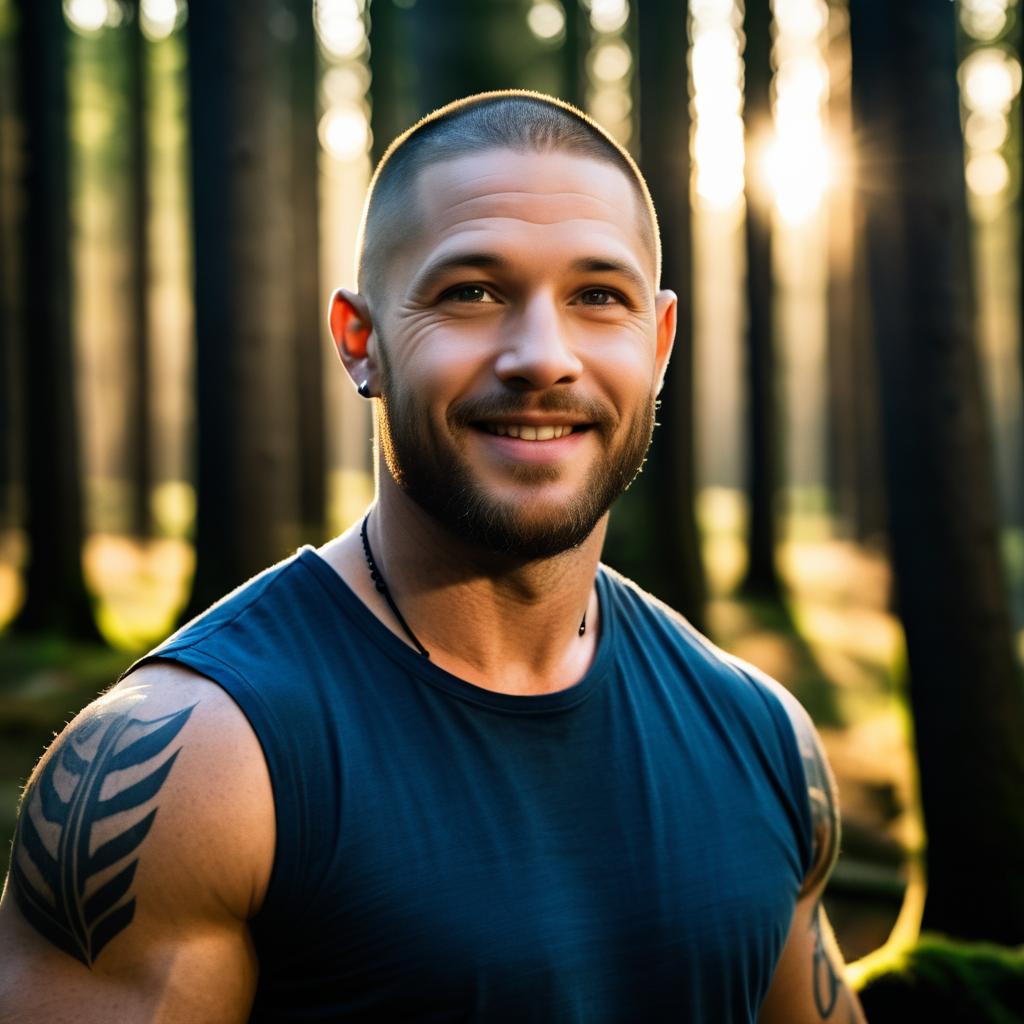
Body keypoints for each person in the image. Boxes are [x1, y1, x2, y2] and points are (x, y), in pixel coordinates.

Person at [0, 91, 866, 1023]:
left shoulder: (764, 736)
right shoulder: (182, 768)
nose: (542, 356)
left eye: (597, 298)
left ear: (656, 344)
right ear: (359, 340)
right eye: (473, 292)